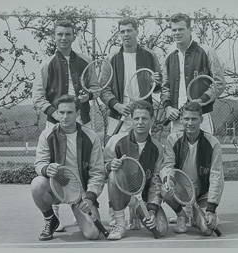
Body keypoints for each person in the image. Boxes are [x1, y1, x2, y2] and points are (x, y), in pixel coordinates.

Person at [32, 19, 100, 230]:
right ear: (55, 37)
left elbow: (96, 88)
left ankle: (84, 205)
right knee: (54, 164)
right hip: (56, 122)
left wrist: (87, 94)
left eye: (67, 34)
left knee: (84, 165)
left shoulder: (85, 61)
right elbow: (37, 97)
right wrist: (56, 114)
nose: (64, 38)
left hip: (83, 120)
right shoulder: (46, 64)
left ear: (73, 36)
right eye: (60, 34)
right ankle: (54, 215)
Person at [99, 17, 162, 227]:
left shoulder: (150, 56)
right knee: (115, 164)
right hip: (118, 117)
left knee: (141, 165)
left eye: (129, 30)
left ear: (137, 32)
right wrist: (116, 105)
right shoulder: (112, 58)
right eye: (122, 31)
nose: (125, 34)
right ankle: (114, 212)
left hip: (140, 116)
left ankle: (136, 212)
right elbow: (103, 90)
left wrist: (159, 83)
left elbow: (160, 86)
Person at [30, 94, 105, 241]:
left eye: (69, 112)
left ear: (77, 113)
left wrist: (89, 198)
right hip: (57, 186)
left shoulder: (91, 137)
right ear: (56, 113)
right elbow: (39, 163)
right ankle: (50, 220)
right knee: (37, 184)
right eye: (61, 112)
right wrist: (46, 169)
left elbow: (98, 173)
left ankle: (77, 210)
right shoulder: (46, 135)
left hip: (80, 192)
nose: (65, 116)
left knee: (93, 233)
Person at [103, 100, 168, 240]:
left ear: (152, 120)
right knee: (115, 174)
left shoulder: (158, 149)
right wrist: (109, 166)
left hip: (142, 198)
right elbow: (100, 170)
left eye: (145, 118)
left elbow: (156, 182)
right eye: (136, 118)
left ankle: (136, 211)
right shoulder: (116, 140)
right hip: (123, 192)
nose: (140, 122)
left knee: (161, 229)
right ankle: (120, 223)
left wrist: (151, 209)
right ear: (131, 120)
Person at [160, 101, 224, 236]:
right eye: (187, 119)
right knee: (164, 190)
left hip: (202, 194)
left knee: (207, 230)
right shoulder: (172, 139)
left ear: (201, 119)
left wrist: (211, 209)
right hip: (181, 190)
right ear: (181, 119)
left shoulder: (213, 143)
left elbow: (216, 176)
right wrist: (168, 180)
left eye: (194, 119)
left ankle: (200, 214)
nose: (190, 123)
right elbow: (167, 166)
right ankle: (181, 216)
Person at [161, 13, 226, 134]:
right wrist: (168, 107)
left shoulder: (206, 51)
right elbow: (165, 86)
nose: (177, 33)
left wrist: (201, 100)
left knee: (204, 152)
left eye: (181, 29)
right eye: (174, 30)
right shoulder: (169, 55)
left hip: (201, 115)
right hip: (177, 117)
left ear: (190, 30)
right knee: (178, 152)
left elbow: (219, 83)